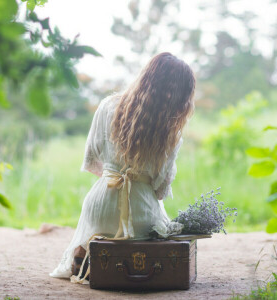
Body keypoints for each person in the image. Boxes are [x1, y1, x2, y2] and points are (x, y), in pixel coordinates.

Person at [49, 52, 196, 280]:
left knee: (112, 220)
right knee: (164, 223)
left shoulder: (108, 106)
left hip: (98, 207)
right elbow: (160, 190)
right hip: (140, 217)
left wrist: (113, 175)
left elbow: (92, 161)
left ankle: (89, 253)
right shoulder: (171, 132)